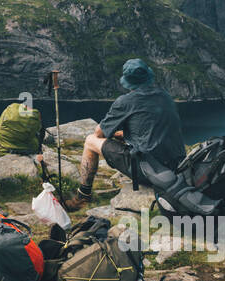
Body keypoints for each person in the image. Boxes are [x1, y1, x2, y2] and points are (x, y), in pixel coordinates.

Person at [63, 58, 186, 209]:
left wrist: (114, 132)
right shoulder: (165, 96)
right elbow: (154, 128)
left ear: (129, 82)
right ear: (148, 76)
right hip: (176, 167)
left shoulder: (126, 101)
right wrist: (125, 134)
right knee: (121, 140)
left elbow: (99, 133)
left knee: (90, 141)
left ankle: (83, 195)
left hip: (149, 171)